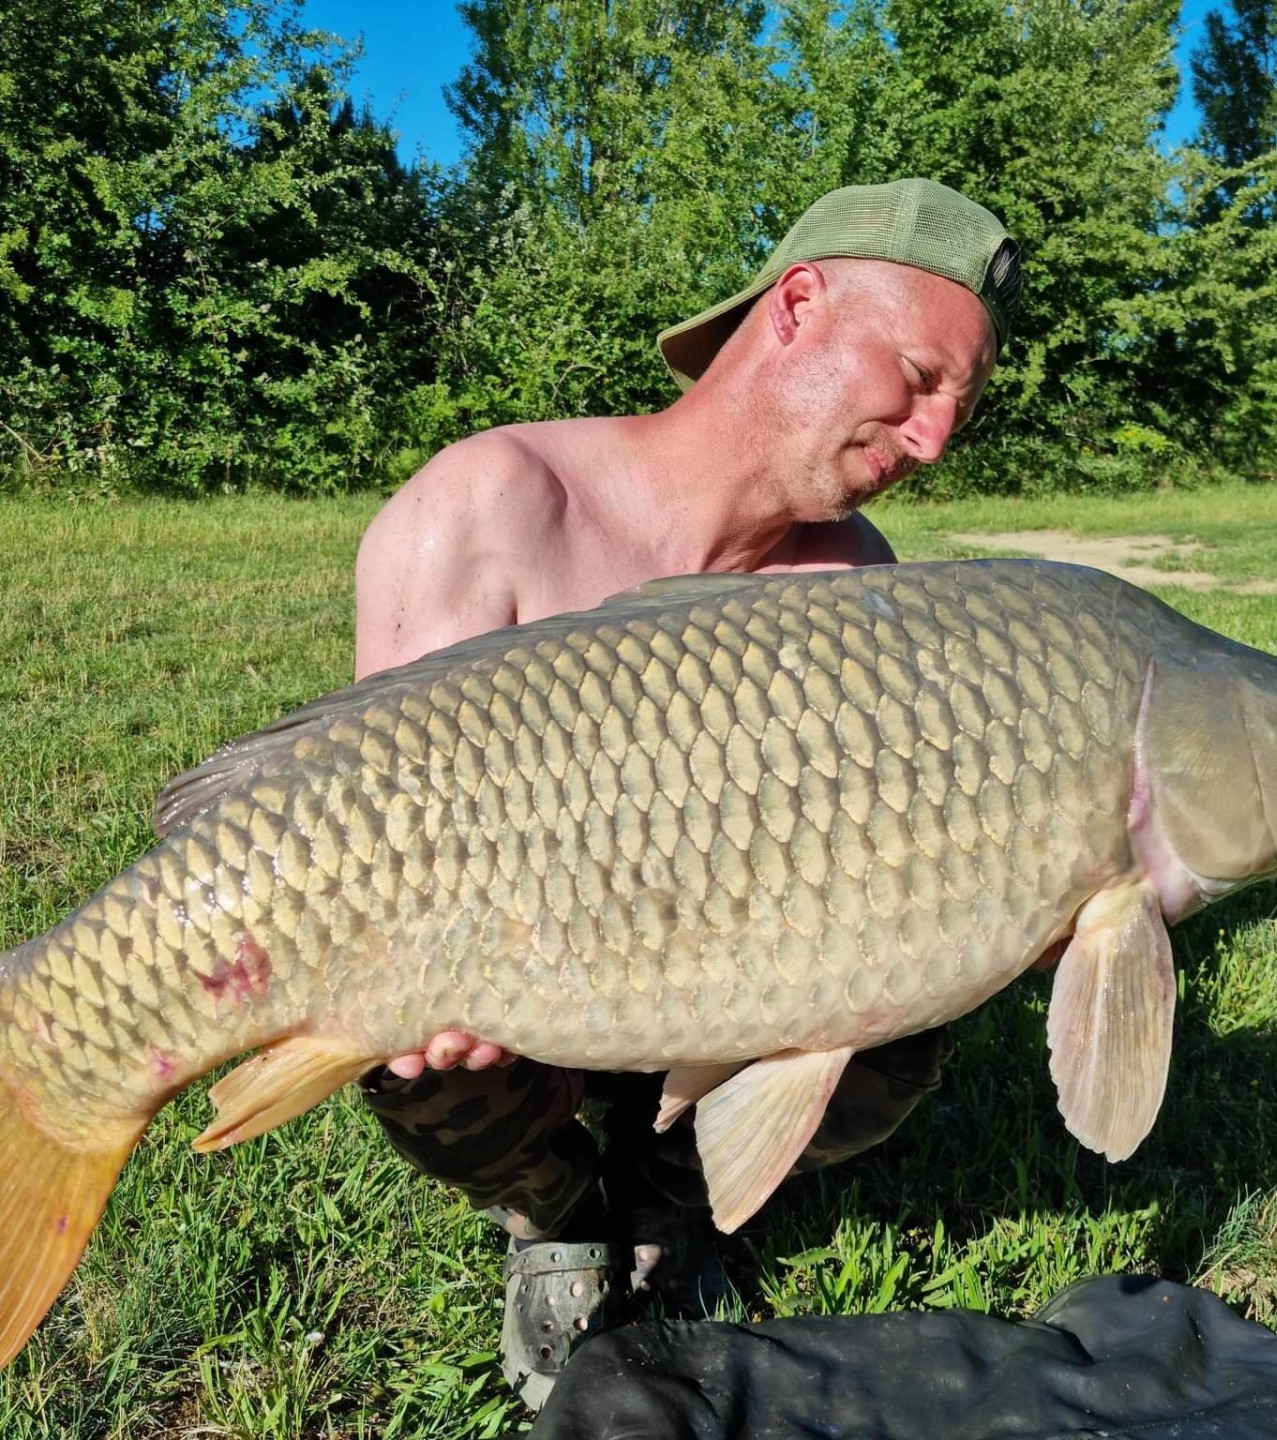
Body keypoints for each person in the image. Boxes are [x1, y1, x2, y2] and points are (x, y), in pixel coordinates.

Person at [348, 178, 1022, 1408]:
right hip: (516, 978)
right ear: (801, 305)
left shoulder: (856, 586)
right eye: (919, 379)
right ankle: (555, 1210)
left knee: (919, 987)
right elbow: (377, 828)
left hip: (727, 985)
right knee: (413, 1049)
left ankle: (671, 1201)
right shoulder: (491, 508)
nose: (930, 441)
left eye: (957, 412)